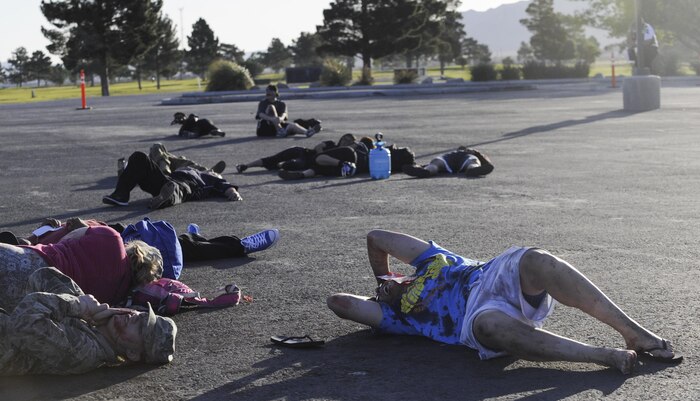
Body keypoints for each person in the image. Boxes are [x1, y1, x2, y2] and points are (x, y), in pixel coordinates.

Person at [327, 230, 682, 374]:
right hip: (475, 317)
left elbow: (376, 237)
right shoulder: (400, 319)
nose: (382, 290)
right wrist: (385, 301)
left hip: (490, 275)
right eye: (378, 294)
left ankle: (634, 333)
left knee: (537, 258)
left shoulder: (428, 261)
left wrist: (380, 277)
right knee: (490, 327)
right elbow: (339, 302)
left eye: (386, 284)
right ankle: (603, 356)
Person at [0, 266, 176, 375]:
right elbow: (43, 276)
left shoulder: (85, 351)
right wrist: (87, 306)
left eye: (140, 326)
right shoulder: (93, 326)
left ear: (132, 353)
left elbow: (25, 322)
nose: (133, 316)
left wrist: (78, 305)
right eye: (141, 314)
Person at [0, 221, 162, 311]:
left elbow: (66, 237)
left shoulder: (113, 238)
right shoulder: (114, 298)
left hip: (32, 262)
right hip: (30, 301)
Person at [103, 151, 242, 209]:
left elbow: (225, 185)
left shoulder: (210, 177)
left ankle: (165, 198)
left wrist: (233, 193)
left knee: (176, 189)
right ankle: (121, 194)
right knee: (139, 156)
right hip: (165, 180)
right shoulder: (188, 168)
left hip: (187, 187)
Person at [236, 134, 357, 174]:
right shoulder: (331, 143)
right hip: (303, 152)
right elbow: (318, 147)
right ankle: (246, 166)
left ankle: (278, 166)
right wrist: (321, 156)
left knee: (290, 165)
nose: (345, 140)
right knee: (274, 157)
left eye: (348, 141)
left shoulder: (342, 153)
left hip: (306, 162)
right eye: (344, 138)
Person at [255, 84, 322, 138]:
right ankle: (280, 130)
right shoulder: (263, 103)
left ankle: (307, 132)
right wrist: (273, 119)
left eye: (270, 91)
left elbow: (284, 114)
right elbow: (260, 114)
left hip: (278, 126)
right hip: (265, 128)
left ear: (275, 93)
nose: (267, 92)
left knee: (293, 125)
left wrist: (279, 119)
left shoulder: (282, 104)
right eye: (267, 91)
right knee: (271, 107)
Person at [402, 146, 494, 178]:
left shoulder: (448, 154)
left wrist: (418, 166)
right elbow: (487, 162)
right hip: (465, 158)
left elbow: (487, 163)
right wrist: (476, 153)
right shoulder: (472, 154)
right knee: (473, 162)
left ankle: (427, 171)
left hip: (446, 159)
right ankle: (473, 170)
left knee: (435, 164)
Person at [147, 143, 226, 176]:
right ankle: (208, 172)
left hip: (169, 164)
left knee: (182, 161)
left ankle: (208, 172)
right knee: (157, 146)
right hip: (156, 167)